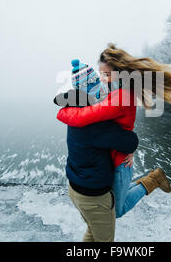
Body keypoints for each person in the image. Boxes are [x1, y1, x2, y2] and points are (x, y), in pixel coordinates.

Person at [57, 44, 171, 219]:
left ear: (118, 71)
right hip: (115, 155)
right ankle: (149, 179)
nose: (103, 79)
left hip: (120, 162)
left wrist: (63, 111)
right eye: (101, 75)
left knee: (117, 211)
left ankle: (153, 180)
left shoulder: (121, 97)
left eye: (106, 74)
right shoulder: (119, 91)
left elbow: (84, 117)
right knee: (113, 199)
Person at [54, 78, 139, 242]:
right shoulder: (95, 125)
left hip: (75, 187)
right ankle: (151, 181)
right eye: (99, 90)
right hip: (94, 196)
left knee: (92, 231)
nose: (103, 94)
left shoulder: (75, 112)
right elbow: (130, 142)